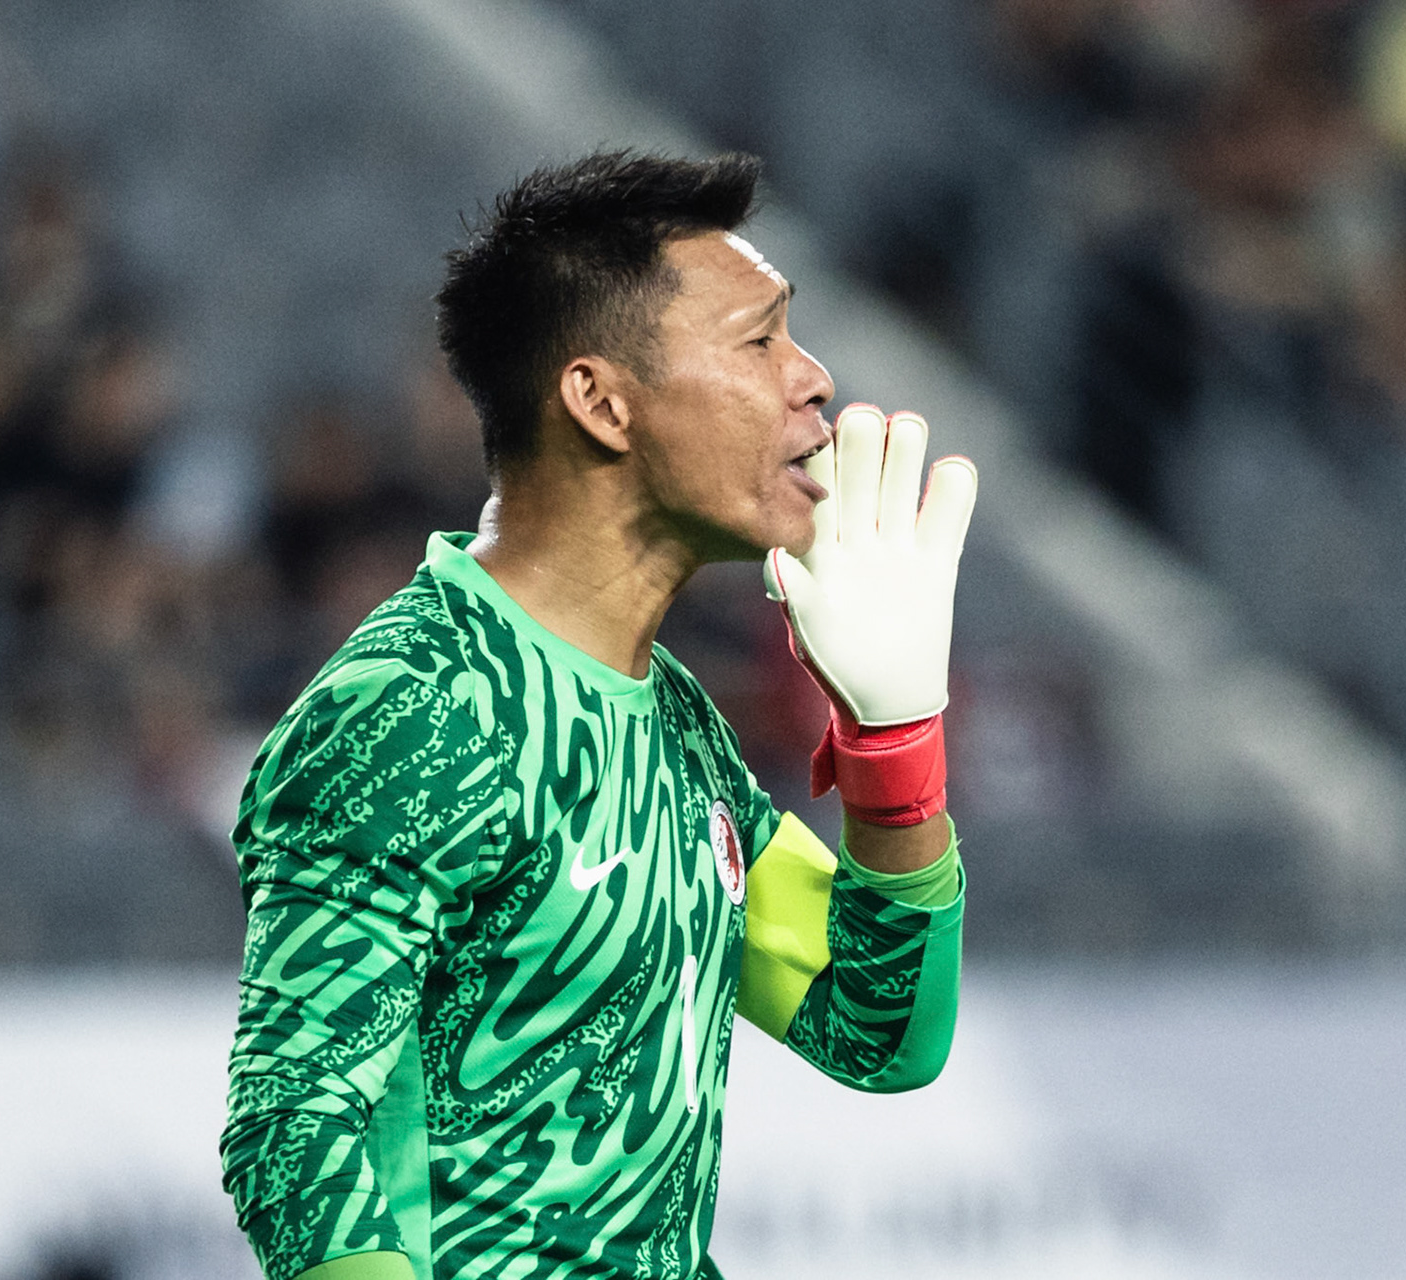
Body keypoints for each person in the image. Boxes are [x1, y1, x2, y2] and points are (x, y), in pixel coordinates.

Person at [219, 150, 979, 1280]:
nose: (814, 378)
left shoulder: (672, 715)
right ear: (602, 402)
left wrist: (892, 744)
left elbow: (876, 1030)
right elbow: (295, 1132)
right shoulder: (416, 709)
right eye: (760, 340)